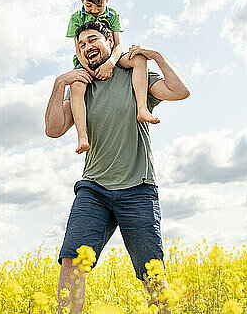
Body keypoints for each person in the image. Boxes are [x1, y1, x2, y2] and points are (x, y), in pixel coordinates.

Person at [45, 19, 190, 313]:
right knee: (71, 262)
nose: (87, 47)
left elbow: (179, 91)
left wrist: (157, 57)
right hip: (94, 189)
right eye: (82, 44)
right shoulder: (80, 88)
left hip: (138, 188)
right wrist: (59, 83)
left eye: (93, 40)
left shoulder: (133, 76)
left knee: (152, 273)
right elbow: (53, 129)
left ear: (110, 42)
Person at [66, 0, 159, 155]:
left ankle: (142, 108)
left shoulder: (113, 15)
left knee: (139, 58)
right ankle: (82, 136)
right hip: (86, 62)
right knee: (76, 86)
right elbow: (78, 49)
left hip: (112, 57)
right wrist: (88, 69)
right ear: (82, 1)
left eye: (98, 5)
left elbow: (118, 45)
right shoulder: (76, 18)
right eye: (88, 5)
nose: (93, 10)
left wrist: (110, 63)